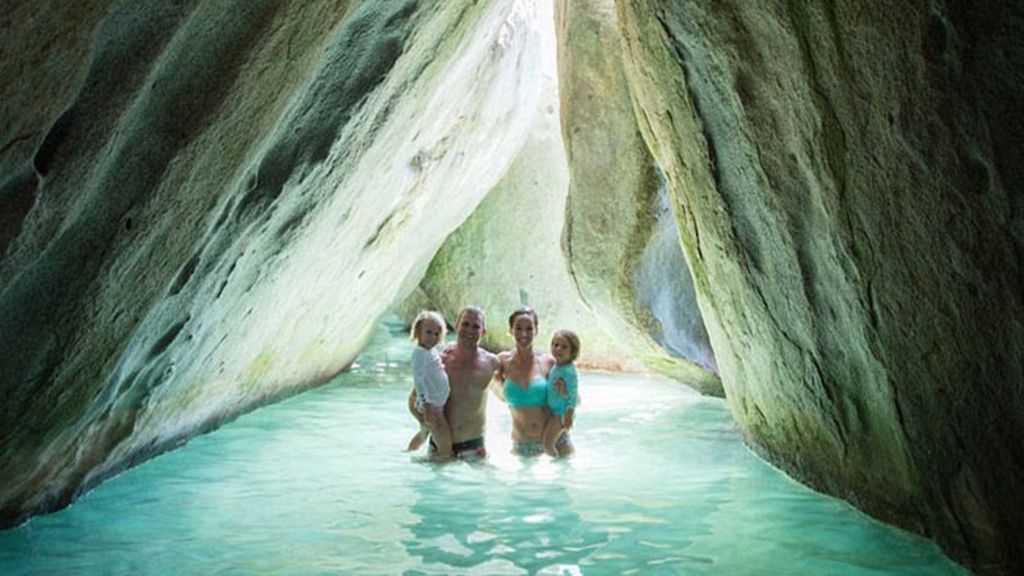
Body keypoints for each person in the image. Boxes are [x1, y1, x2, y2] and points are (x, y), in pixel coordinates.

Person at [408, 305, 499, 459]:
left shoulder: (492, 363)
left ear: (483, 332)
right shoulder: (440, 360)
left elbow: (509, 394)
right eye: (465, 324)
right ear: (456, 326)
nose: (469, 330)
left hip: (473, 447)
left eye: (476, 326)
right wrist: (425, 426)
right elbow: (414, 398)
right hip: (440, 446)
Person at [494, 308, 572, 456]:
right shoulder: (502, 362)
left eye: (529, 329)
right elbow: (476, 367)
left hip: (556, 443)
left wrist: (565, 393)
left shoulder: (549, 362)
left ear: (536, 331)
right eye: (518, 328)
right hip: (522, 446)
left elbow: (574, 400)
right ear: (510, 331)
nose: (524, 334)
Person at [406, 311, 453, 460]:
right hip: (432, 406)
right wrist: (426, 406)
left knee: (424, 433)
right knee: (446, 450)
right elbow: (418, 380)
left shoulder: (430, 351)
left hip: (435, 404)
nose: (432, 337)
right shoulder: (419, 354)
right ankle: (423, 462)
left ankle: (408, 454)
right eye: (428, 332)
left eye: (436, 334)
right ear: (418, 332)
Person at [542, 329, 580, 457]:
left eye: (564, 347)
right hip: (556, 411)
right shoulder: (558, 366)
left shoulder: (569, 371)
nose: (558, 349)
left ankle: (555, 464)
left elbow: (573, 395)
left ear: (572, 351)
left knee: (547, 444)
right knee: (554, 443)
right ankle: (560, 460)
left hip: (562, 413)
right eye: (556, 345)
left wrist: (569, 414)